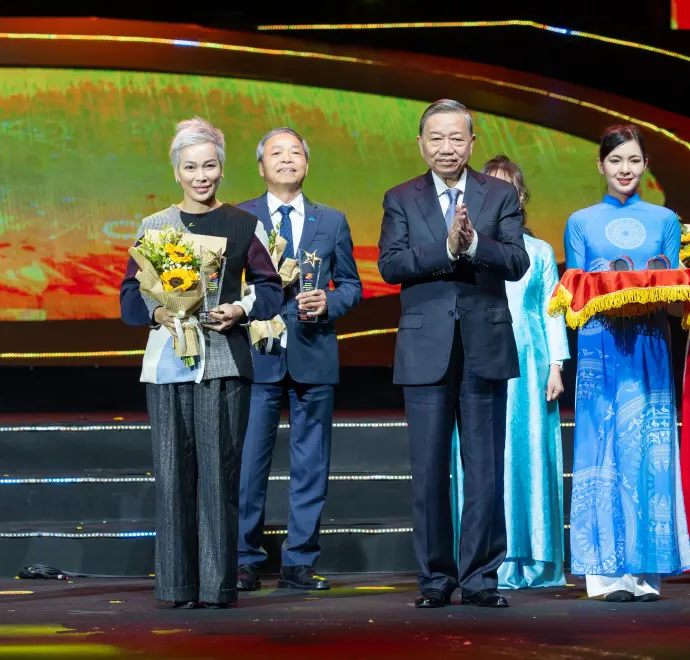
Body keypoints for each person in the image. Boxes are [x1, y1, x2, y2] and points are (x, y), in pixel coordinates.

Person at [120, 117, 282, 608]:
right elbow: (130, 299)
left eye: (209, 165)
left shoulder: (242, 224)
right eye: (190, 167)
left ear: (222, 168)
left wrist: (239, 308)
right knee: (172, 475)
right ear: (176, 172)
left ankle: (216, 585)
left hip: (223, 363)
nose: (201, 175)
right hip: (168, 365)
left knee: (218, 475)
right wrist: (161, 310)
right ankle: (176, 585)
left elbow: (272, 289)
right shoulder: (155, 227)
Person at [377, 99, 529, 609]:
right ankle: (436, 579)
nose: (446, 147)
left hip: (484, 345)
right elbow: (391, 266)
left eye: (456, 138)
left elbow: (516, 260)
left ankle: (483, 577)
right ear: (421, 144)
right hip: (425, 348)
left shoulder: (499, 194)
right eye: (436, 138)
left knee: (484, 469)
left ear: (472, 142)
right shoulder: (400, 197)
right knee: (429, 470)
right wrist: (445, 250)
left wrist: (472, 244)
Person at [565, 125, 690, 602]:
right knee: (601, 449)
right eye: (616, 161)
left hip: (648, 344)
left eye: (634, 161)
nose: (625, 170)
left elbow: (673, 283)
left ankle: (646, 571)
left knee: (650, 450)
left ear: (644, 166)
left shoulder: (664, 219)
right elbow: (573, 287)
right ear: (601, 165)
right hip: (600, 348)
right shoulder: (580, 220)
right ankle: (603, 574)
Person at [235, 128, 362, 592]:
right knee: (250, 462)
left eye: (295, 153)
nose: (287, 160)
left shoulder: (331, 220)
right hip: (256, 355)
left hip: (314, 352)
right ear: (262, 167)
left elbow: (352, 284)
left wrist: (330, 302)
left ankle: (299, 561)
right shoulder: (238, 217)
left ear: (306, 164)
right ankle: (245, 558)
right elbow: (224, 284)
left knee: (312, 463)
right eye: (276, 153)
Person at [450, 155, 569, 589]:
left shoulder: (538, 252)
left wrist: (556, 364)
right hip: (481, 360)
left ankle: (533, 557)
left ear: (519, 199)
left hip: (530, 361)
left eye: (511, 191)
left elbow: (551, 310)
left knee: (529, 458)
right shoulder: (466, 249)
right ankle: (485, 560)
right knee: (485, 460)